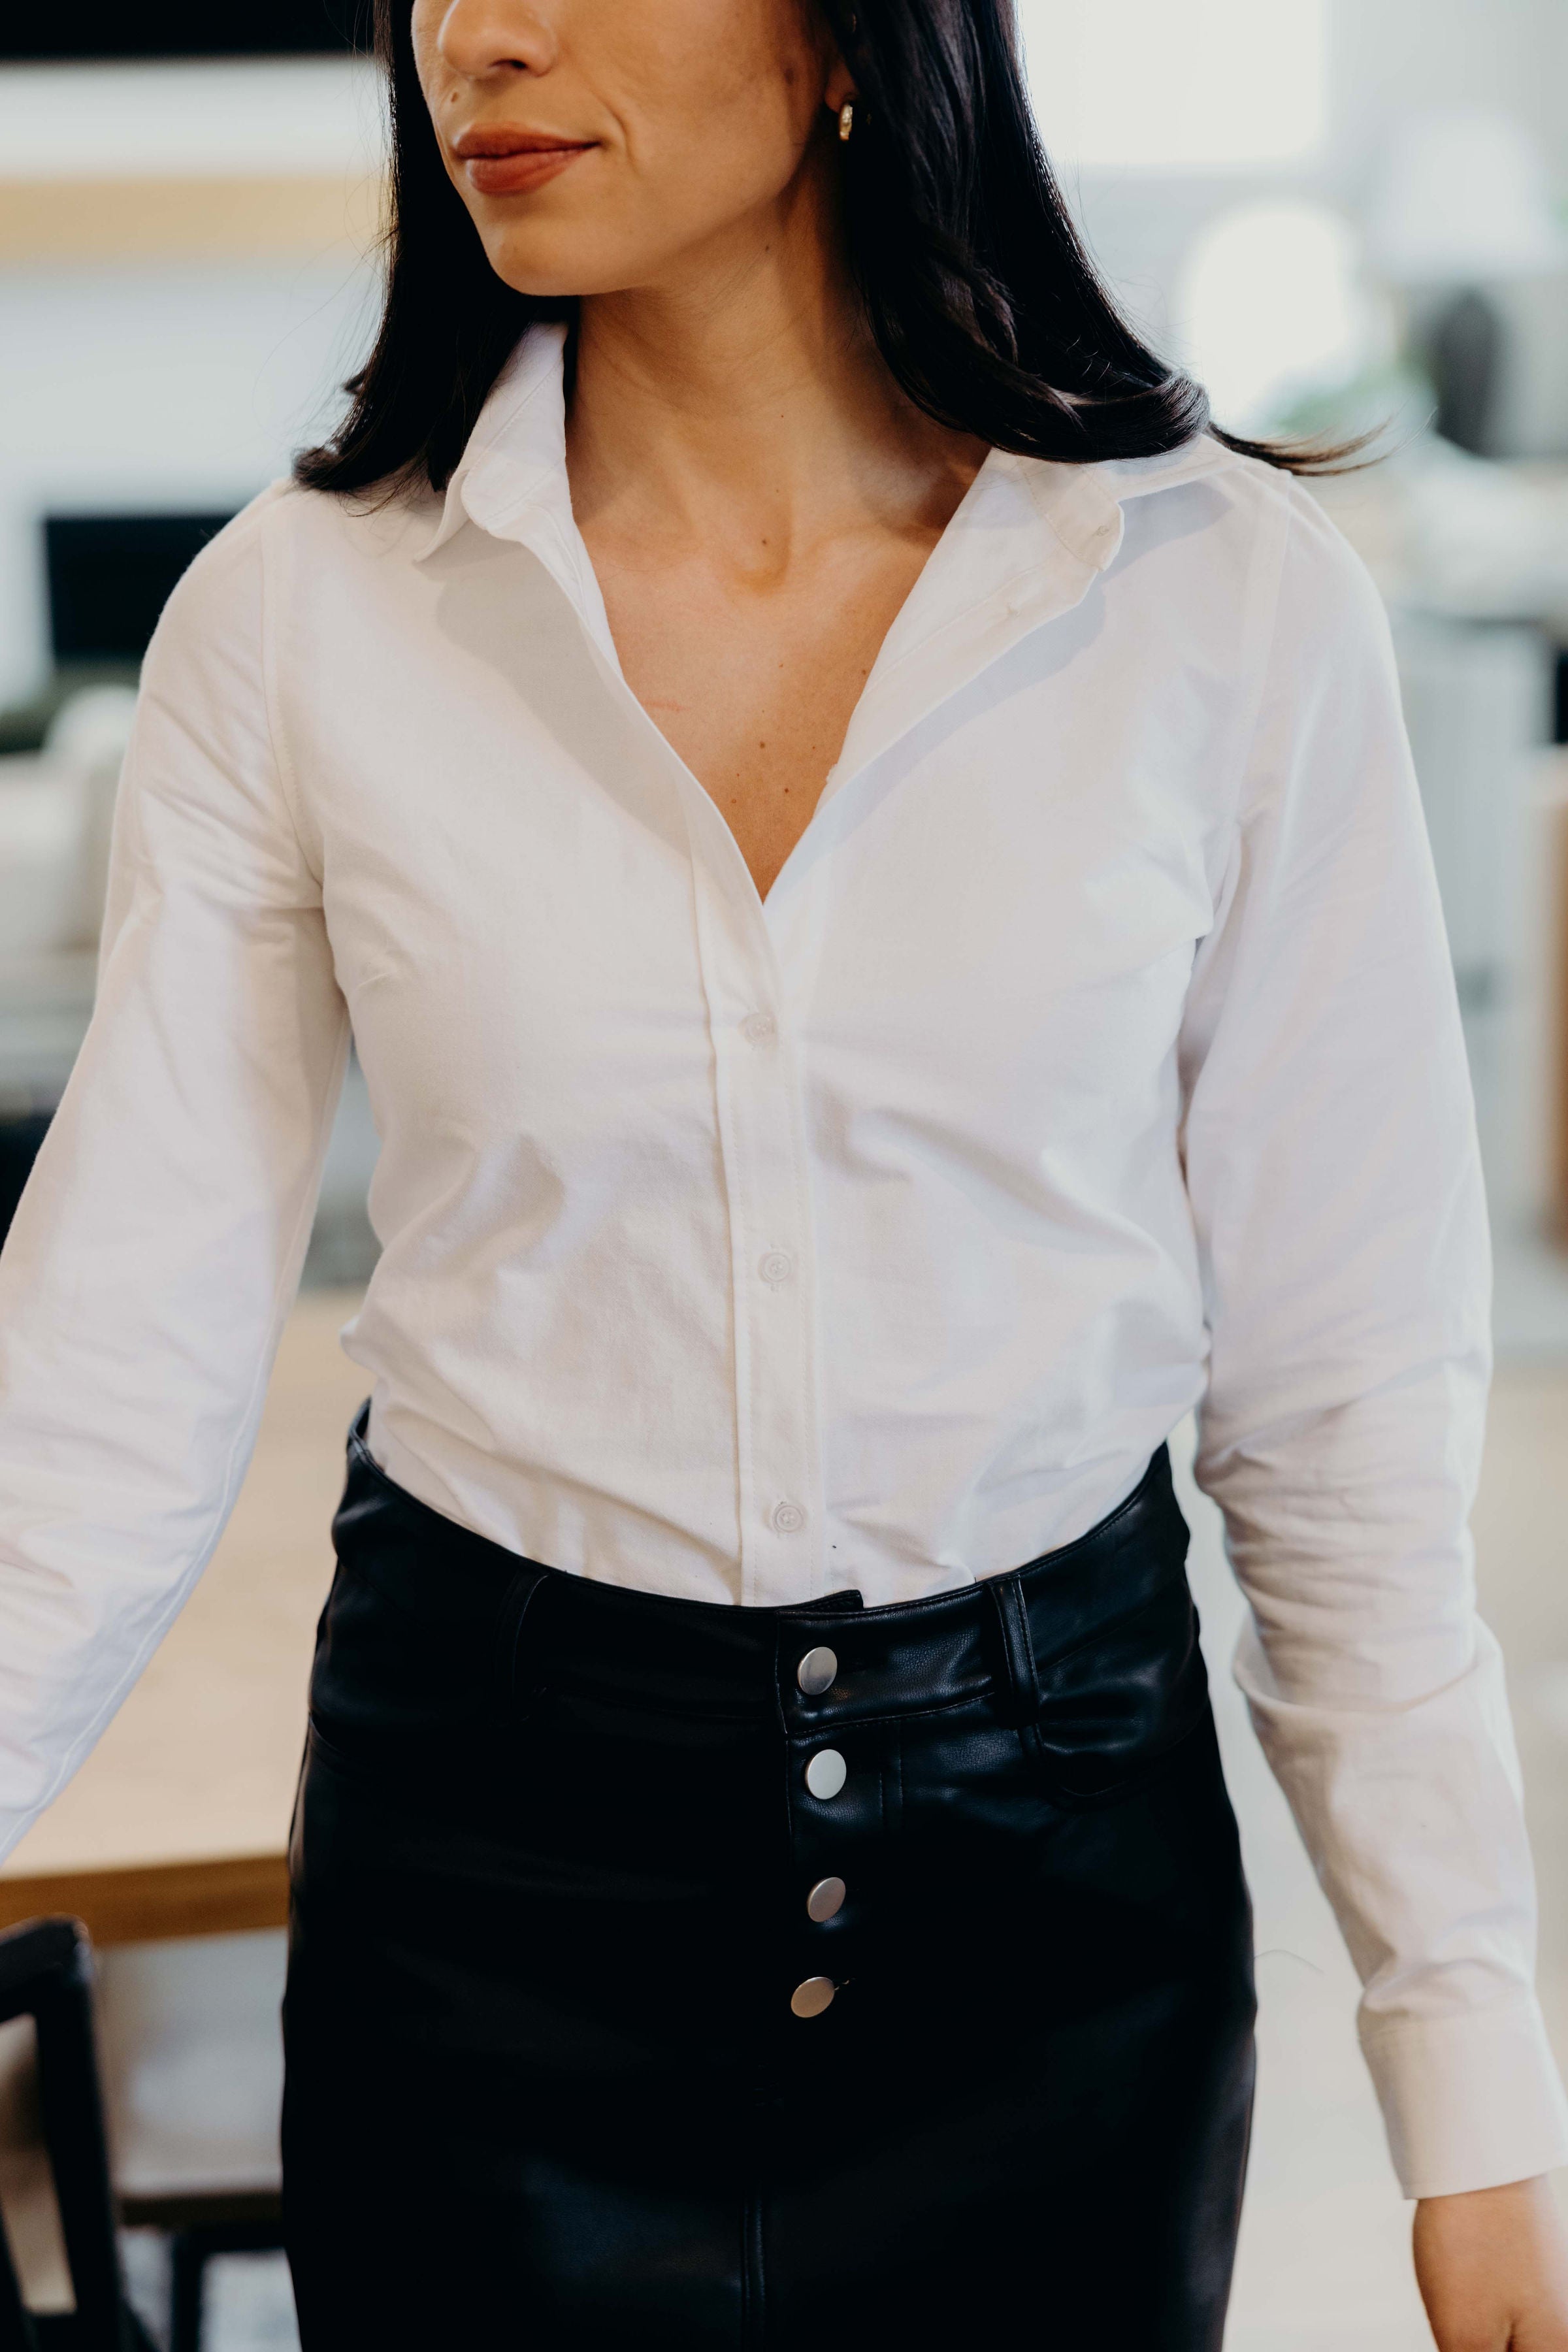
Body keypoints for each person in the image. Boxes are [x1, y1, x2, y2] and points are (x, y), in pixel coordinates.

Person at [1, 0, 1566, 2343]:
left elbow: (1337, 1413)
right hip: (486, 1905)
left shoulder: (1221, 602)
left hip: (1062, 1918)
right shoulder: (305, 617)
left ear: (852, 33)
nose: (473, 35)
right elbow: (108, 1366)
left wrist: (1478, 2093)